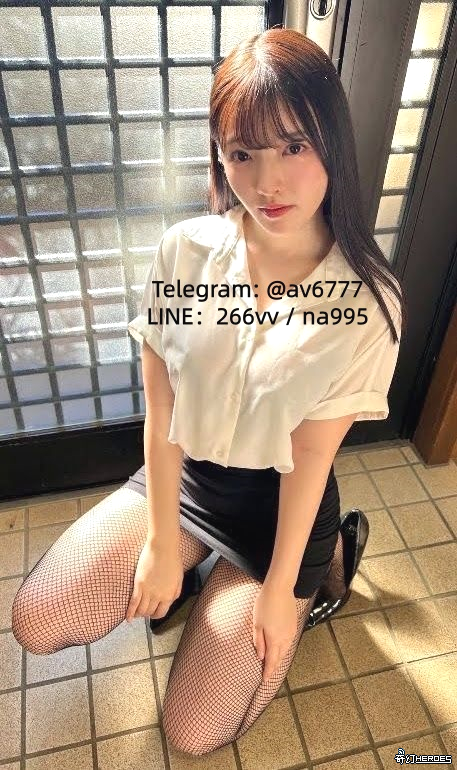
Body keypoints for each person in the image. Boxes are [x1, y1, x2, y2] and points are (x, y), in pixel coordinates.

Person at [11, 27, 406, 756]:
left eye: (294, 146)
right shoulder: (186, 251)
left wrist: (282, 590)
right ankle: (195, 566)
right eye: (242, 153)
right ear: (219, 156)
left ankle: (331, 565)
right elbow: (161, 407)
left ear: (332, 142)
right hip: (190, 475)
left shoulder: (366, 300)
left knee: (194, 732)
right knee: (39, 618)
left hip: (278, 507)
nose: (267, 182)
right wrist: (162, 541)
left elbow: (310, 456)